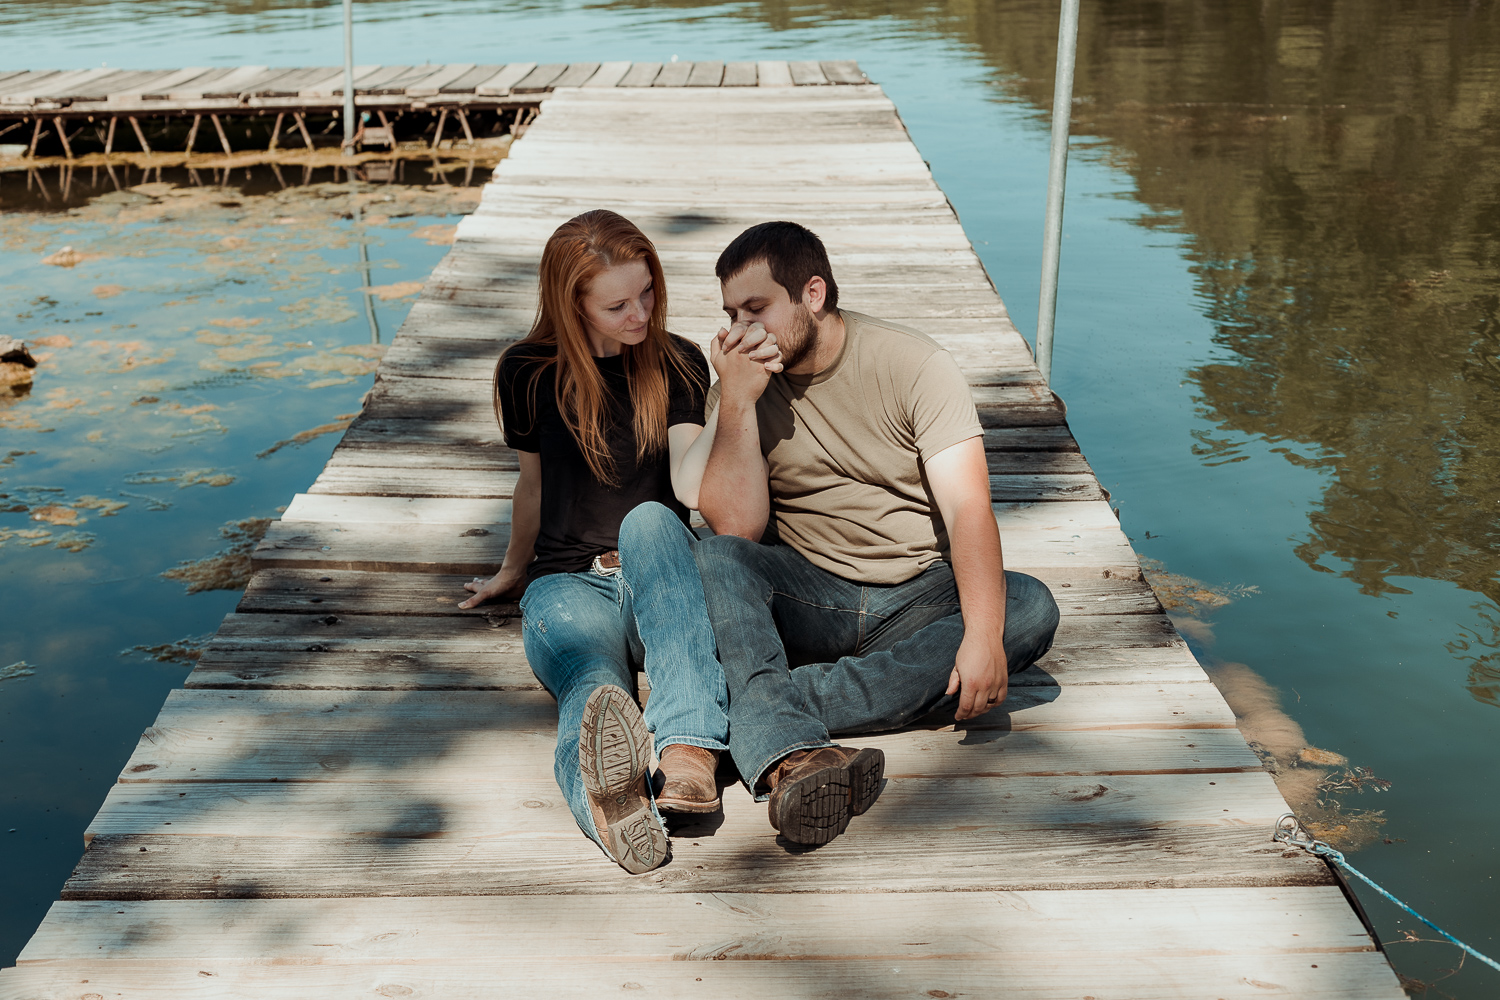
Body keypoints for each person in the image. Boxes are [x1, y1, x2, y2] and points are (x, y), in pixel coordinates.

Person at [675, 220, 1061, 846]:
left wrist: (984, 636)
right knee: (717, 558)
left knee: (1027, 608)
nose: (740, 329)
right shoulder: (742, 379)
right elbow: (737, 528)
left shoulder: (914, 365)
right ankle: (787, 712)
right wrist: (739, 403)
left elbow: (969, 510)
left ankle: (759, 709)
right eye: (730, 313)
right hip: (810, 592)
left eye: (757, 308)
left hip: (918, 592)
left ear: (813, 295)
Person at [459, 209, 781, 873]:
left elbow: (689, 489)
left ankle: (688, 750)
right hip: (567, 584)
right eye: (617, 305)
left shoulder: (679, 362)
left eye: (648, 293)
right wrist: (511, 570)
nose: (640, 314)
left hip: (658, 573)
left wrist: (734, 404)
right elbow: (531, 486)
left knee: (651, 519)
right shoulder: (525, 371)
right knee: (593, 688)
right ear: (571, 304)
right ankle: (612, 813)